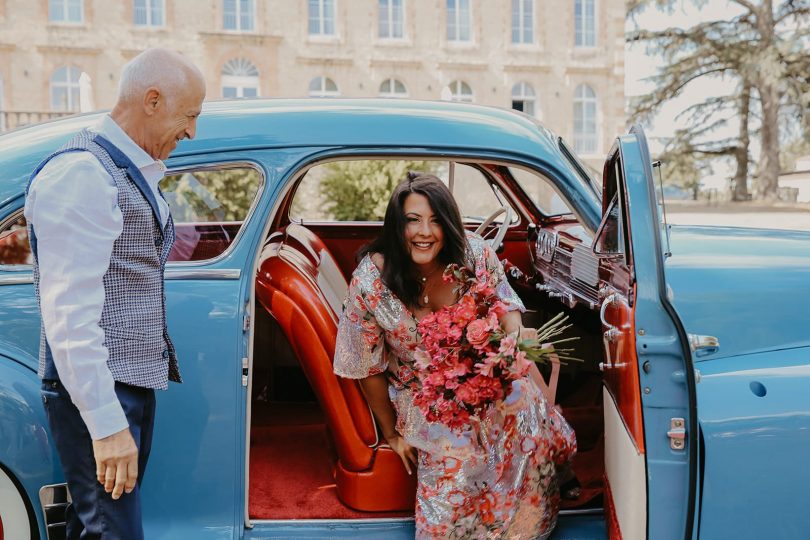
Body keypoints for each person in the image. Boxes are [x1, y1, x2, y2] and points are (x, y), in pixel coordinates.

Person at [24, 48, 205, 539]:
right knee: (112, 531)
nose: (192, 132)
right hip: (100, 391)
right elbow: (68, 315)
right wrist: (106, 426)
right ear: (152, 100)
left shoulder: (118, 169)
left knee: (99, 528)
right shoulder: (82, 174)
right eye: (189, 116)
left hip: (123, 384)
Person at [333, 173, 577, 539]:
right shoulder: (370, 281)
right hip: (421, 392)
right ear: (396, 226)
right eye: (412, 220)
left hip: (482, 372)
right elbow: (367, 365)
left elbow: (505, 302)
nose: (424, 232)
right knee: (460, 452)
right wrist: (392, 434)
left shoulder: (475, 253)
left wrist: (512, 349)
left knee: (524, 406)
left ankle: (524, 525)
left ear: (448, 225)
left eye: (435, 221)